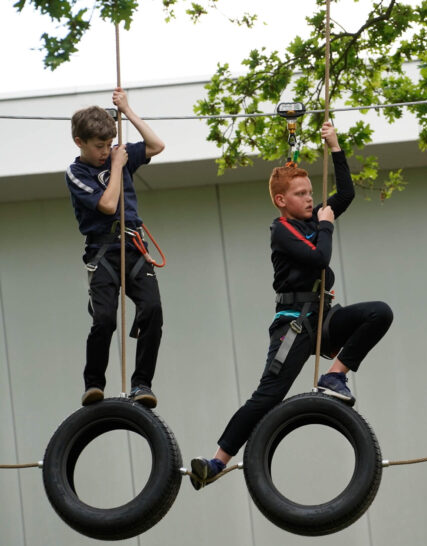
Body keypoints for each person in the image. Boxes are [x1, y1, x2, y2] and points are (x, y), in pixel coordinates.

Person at [189, 121, 393, 489]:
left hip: (323, 318)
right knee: (268, 396)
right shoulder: (282, 230)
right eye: (300, 194)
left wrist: (335, 146)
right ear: (282, 201)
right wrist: (326, 226)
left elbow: (346, 193)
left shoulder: (316, 217)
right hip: (294, 324)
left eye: (310, 192)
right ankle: (216, 462)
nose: (310, 199)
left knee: (379, 312)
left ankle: (335, 375)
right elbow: (318, 258)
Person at [66, 87, 165, 408]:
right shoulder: (77, 172)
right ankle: (94, 384)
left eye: (109, 144)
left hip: (134, 245)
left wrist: (128, 111)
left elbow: (156, 145)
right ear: (79, 142)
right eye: (99, 146)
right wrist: (119, 166)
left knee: (152, 310)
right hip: (103, 251)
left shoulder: (116, 154)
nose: (105, 152)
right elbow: (108, 205)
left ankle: (142, 383)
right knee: (105, 319)